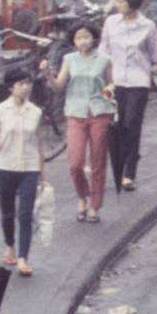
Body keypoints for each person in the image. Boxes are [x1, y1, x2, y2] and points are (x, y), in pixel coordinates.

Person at [99, 0, 157, 191]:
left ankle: (130, 172)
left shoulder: (147, 26)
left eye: (120, 0)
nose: (117, 4)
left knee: (132, 123)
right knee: (118, 126)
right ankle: (123, 163)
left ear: (132, 3)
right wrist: (101, 81)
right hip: (116, 81)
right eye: (116, 0)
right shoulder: (111, 23)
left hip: (139, 82)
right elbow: (104, 52)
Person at [0, 66, 47, 276]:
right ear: (11, 87)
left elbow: (39, 143)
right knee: (8, 212)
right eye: (21, 84)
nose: (26, 87)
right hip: (5, 165)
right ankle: (9, 244)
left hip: (29, 167)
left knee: (26, 214)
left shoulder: (36, 112)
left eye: (28, 83)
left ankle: (23, 258)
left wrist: (42, 175)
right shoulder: (0, 110)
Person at [49, 22, 114, 223]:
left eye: (86, 36)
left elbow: (111, 82)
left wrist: (108, 92)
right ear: (73, 41)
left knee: (98, 161)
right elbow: (59, 85)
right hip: (75, 113)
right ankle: (82, 197)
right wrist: (47, 75)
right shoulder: (69, 59)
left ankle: (95, 205)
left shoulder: (104, 59)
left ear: (94, 38)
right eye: (78, 37)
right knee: (75, 163)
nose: (83, 41)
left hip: (99, 112)